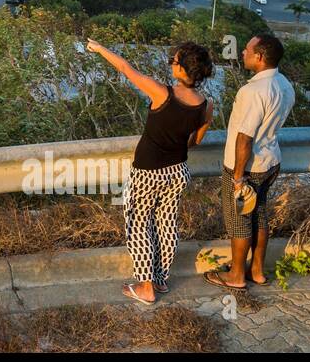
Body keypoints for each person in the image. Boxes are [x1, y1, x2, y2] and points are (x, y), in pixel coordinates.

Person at [86, 39, 214, 304]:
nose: (171, 64)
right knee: (167, 224)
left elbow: (125, 68)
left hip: (148, 171)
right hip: (178, 171)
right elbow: (196, 140)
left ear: (183, 69)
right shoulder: (206, 105)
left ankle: (145, 286)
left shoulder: (162, 94)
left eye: (174, 61)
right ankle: (159, 280)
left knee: (139, 224)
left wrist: (100, 48)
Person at [205, 34, 295, 291]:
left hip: (248, 167)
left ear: (260, 56)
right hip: (270, 161)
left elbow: (244, 138)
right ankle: (256, 270)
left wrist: (237, 177)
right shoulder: (285, 84)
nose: (242, 53)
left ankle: (235, 275)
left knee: (239, 220)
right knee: (260, 215)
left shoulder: (253, 91)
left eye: (247, 50)